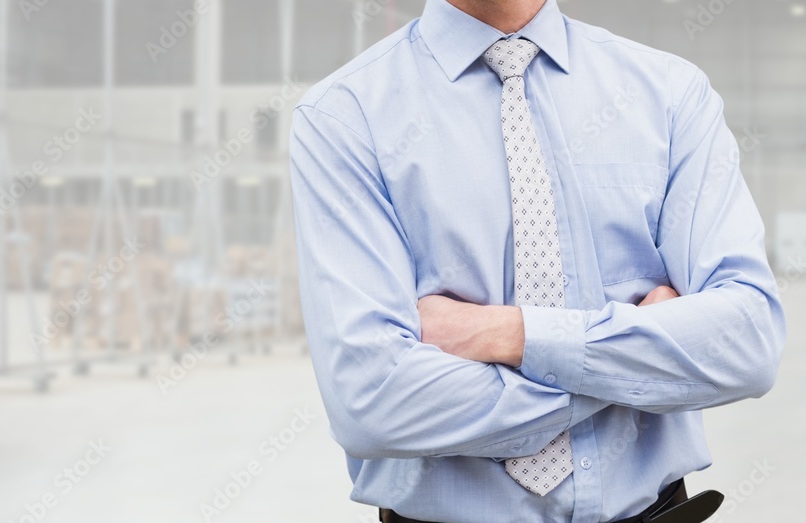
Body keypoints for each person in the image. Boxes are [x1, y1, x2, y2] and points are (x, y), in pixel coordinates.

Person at [287, 0, 786, 522]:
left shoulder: (670, 93)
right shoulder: (344, 117)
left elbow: (746, 343)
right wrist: (641, 352)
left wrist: (511, 335)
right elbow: (373, 403)